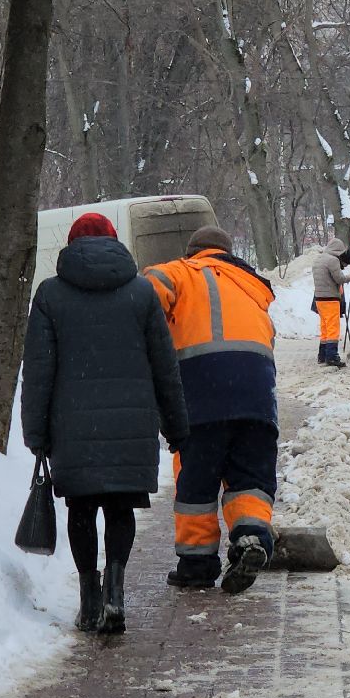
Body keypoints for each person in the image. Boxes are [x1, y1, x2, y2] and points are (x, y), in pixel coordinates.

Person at [22, 212, 190, 634]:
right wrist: (176, 426)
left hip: (72, 427)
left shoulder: (50, 295)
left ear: (71, 246)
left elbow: (38, 371)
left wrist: (36, 433)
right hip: (132, 424)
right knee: (120, 507)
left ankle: (89, 599)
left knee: (81, 508)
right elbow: (164, 366)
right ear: (115, 244)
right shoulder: (141, 293)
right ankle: (115, 591)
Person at [144, 226, 281, 594]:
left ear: (193, 253)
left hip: (203, 396)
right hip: (257, 401)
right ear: (227, 253)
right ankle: (250, 537)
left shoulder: (182, 271)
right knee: (250, 479)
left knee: (197, 482)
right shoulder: (252, 287)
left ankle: (197, 565)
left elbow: (148, 289)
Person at [311, 237, 350, 368]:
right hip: (330, 299)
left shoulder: (319, 259)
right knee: (333, 328)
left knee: (325, 328)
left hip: (319, 299)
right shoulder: (332, 260)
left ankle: (322, 355)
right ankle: (332, 357)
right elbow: (339, 278)